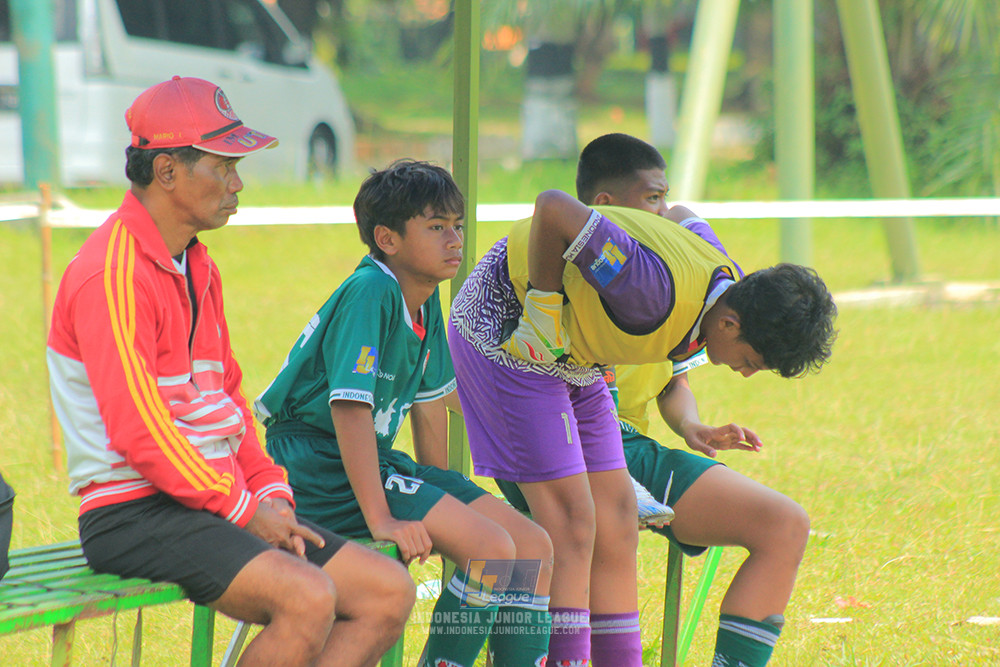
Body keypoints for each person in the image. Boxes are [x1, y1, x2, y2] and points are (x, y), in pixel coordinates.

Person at [46, 76, 415, 667]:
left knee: (387, 592)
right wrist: (246, 510)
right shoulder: (109, 273)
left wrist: (270, 489)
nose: (237, 183)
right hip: (132, 510)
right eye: (223, 166)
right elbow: (140, 435)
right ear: (167, 172)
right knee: (307, 598)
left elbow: (229, 404)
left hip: (208, 499)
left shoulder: (196, 266)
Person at [448, 143, 837, 666]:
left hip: (571, 355)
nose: (744, 372)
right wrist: (541, 308)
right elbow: (554, 207)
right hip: (504, 336)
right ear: (729, 324)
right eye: (751, 360)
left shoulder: (727, 280)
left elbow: (681, 216)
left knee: (617, 515)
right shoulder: (645, 290)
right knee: (572, 524)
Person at [255, 160, 554, 667]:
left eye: (457, 226)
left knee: (533, 547)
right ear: (387, 239)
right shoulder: (371, 291)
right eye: (437, 227)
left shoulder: (426, 298)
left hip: (370, 459)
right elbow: (350, 409)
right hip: (318, 466)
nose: (455, 240)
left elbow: (430, 404)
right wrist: (384, 519)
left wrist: (443, 497)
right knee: (491, 552)